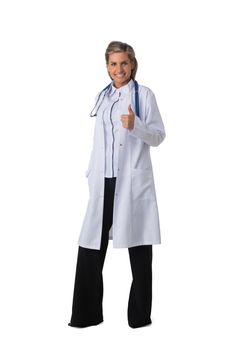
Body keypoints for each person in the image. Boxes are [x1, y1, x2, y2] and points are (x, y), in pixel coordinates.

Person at [68, 41, 166, 328]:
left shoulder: (144, 95)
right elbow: (100, 142)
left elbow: (159, 136)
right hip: (103, 181)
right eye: (113, 64)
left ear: (132, 64)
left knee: (139, 249)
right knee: (89, 247)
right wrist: (90, 172)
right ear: (107, 66)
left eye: (124, 63)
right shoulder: (104, 97)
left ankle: (138, 318)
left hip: (132, 183)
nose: (119, 69)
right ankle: (85, 315)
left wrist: (136, 125)